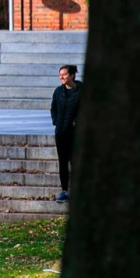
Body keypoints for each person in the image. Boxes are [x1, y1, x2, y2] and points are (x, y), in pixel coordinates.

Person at [51, 64, 81, 202]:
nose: (61, 77)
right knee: (63, 163)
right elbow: (53, 108)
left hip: (75, 133)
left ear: (72, 75)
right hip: (60, 132)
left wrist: (76, 121)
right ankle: (64, 191)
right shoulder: (58, 91)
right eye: (60, 74)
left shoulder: (81, 90)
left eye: (64, 74)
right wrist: (56, 121)